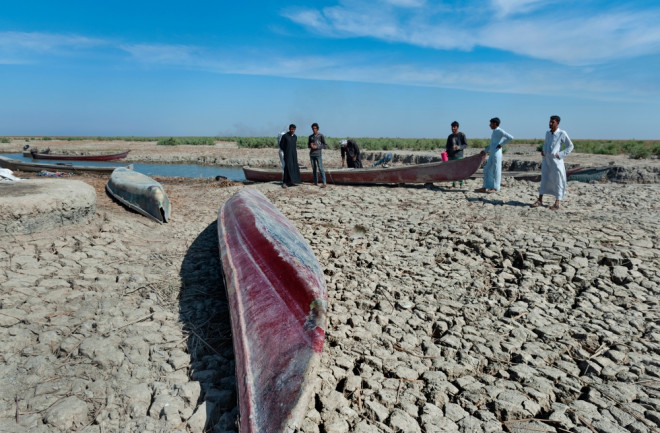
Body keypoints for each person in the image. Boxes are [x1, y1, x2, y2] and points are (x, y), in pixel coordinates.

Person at [532, 115, 574, 210]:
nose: (550, 124)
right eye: (550, 122)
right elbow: (546, 143)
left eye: (553, 122)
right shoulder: (547, 133)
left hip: (556, 162)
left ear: (558, 123)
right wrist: (543, 150)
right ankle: (540, 200)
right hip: (546, 160)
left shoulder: (562, 133)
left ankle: (557, 202)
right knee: (544, 179)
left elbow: (570, 146)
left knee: (558, 180)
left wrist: (559, 154)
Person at [477, 117, 513, 193]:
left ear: (495, 124)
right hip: (492, 153)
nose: (489, 125)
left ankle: (496, 188)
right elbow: (492, 144)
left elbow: (510, 137)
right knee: (487, 169)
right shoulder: (494, 132)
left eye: (491, 123)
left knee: (496, 170)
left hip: (497, 153)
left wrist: (501, 144)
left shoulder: (500, 131)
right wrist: (485, 150)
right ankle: (485, 187)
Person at [446, 121, 468, 187]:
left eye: (454, 127)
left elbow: (465, 145)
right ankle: (454, 183)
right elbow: (447, 146)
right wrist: (447, 152)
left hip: (458, 155)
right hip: (451, 155)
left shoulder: (462, 135)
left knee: (459, 169)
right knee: (452, 169)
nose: (453, 128)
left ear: (457, 127)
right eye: (452, 127)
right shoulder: (450, 136)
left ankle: (461, 183)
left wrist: (459, 147)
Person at [279, 124, 301, 188]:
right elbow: (281, 145)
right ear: (289, 129)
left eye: (293, 129)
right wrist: (286, 151)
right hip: (287, 154)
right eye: (291, 129)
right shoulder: (285, 136)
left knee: (294, 167)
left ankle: (292, 181)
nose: (292, 130)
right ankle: (285, 182)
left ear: (295, 130)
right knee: (287, 167)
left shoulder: (295, 137)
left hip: (294, 154)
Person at [308, 123, 327, 187]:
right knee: (314, 169)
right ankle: (315, 182)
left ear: (317, 128)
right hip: (312, 154)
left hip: (318, 154)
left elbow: (325, 145)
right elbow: (308, 145)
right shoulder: (310, 137)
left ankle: (324, 183)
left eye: (315, 128)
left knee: (321, 168)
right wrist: (310, 145)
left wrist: (317, 147)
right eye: (313, 128)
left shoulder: (321, 135)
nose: (314, 129)